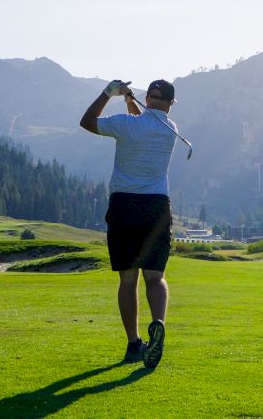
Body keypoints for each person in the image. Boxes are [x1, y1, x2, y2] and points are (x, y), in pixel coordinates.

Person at [79, 79, 178, 368]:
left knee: (128, 279)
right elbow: (147, 119)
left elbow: (87, 122)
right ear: (171, 104)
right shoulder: (171, 129)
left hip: (124, 205)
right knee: (155, 277)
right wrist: (130, 101)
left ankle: (134, 343)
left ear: (148, 97)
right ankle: (157, 322)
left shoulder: (126, 125)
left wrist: (109, 93)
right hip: (156, 206)